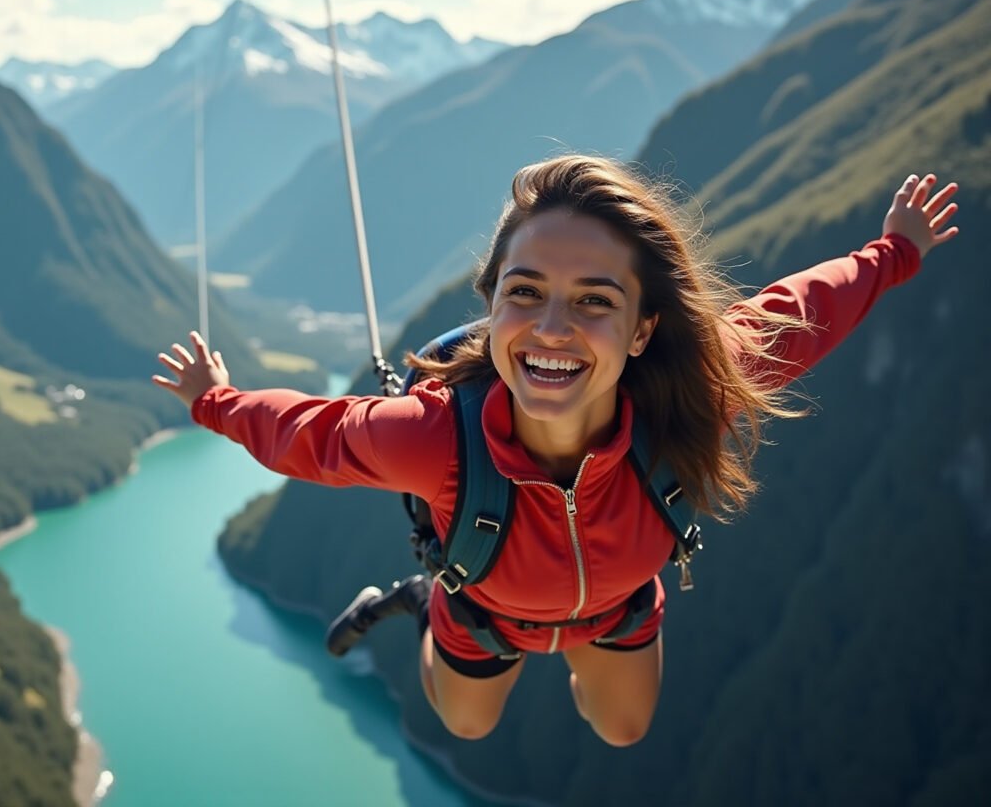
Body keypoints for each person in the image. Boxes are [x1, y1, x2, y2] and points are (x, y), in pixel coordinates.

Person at [152, 156, 961, 747]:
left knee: (623, 728)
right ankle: (425, 605)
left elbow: (798, 314)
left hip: (614, 608)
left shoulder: (691, 392)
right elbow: (307, 434)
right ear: (493, 306)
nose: (550, 329)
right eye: (526, 292)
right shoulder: (433, 437)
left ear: (643, 330)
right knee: (466, 725)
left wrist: (895, 252)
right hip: (481, 612)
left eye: (594, 301)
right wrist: (213, 400)